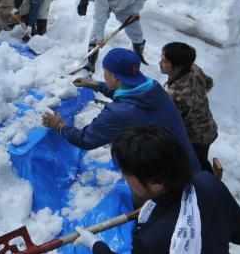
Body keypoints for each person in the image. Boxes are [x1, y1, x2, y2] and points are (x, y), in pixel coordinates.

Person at [73, 125, 240, 254]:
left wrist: (96, 246)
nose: (123, 176)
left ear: (156, 184)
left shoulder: (150, 239)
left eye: (127, 172)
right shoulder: (207, 181)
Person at [41, 47, 201, 172]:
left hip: (167, 177)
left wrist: (59, 126)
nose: (103, 76)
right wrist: (96, 85)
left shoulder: (119, 113)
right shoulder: (152, 87)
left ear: (115, 77)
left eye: (105, 73)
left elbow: (86, 139)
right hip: (186, 159)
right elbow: (127, 94)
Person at [159, 42, 218, 173]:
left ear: (178, 67)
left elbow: (170, 122)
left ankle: (208, 186)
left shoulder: (176, 94)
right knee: (201, 160)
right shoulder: (193, 69)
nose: (159, 63)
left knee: (194, 167)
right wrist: (197, 99)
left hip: (195, 138)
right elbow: (209, 83)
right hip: (209, 128)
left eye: (164, 61)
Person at [85, 0, 152, 71]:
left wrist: (135, 9)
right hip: (108, 3)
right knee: (96, 31)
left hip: (127, 5)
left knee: (136, 32)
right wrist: (100, 38)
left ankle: (138, 56)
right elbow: (99, 15)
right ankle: (90, 61)